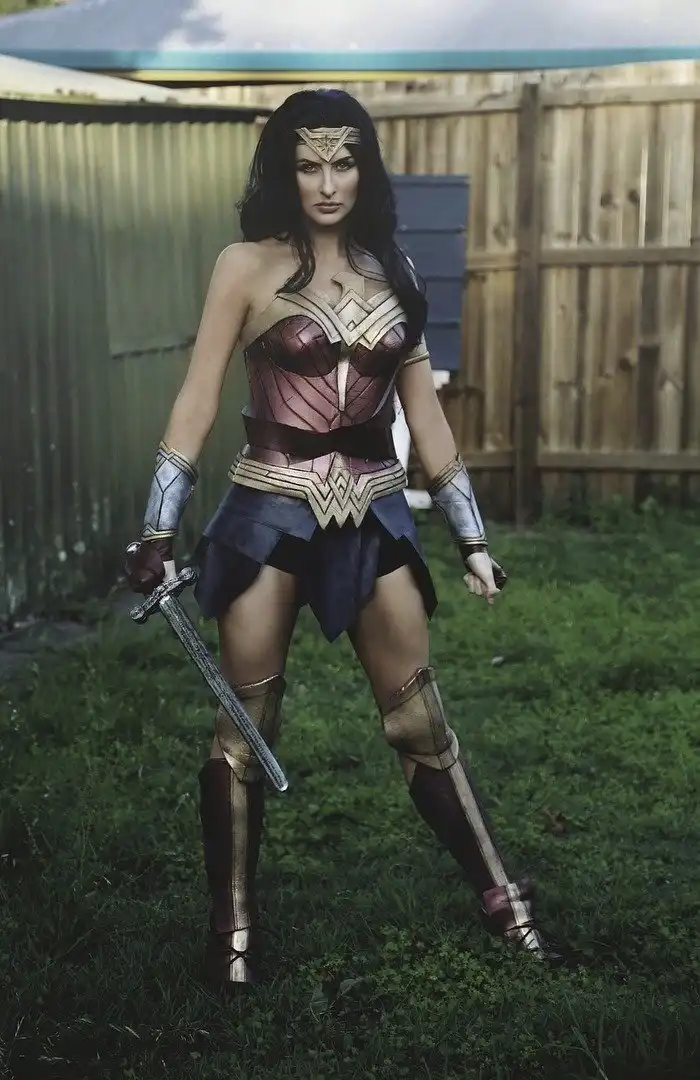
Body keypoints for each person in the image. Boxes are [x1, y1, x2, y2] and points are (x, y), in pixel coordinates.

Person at [124, 88, 563, 992]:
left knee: (421, 722)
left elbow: (424, 415)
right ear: (284, 172)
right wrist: (158, 525)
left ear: (367, 169)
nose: (327, 183)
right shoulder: (245, 266)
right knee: (243, 732)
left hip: (375, 512)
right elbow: (199, 397)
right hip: (267, 513)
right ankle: (232, 933)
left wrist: (472, 539)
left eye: (344, 162)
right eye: (308, 164)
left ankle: (501, 898)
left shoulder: (395, 269)